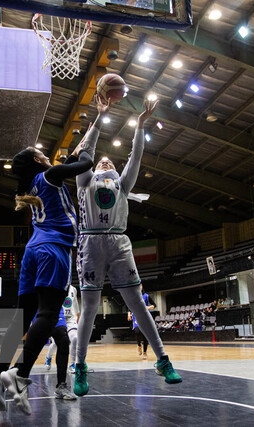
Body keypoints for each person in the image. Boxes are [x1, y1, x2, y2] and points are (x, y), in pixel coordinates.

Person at [0, 111, 97, 414]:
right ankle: (17, 376)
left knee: (21, 318)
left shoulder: (31, 183)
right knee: (48, 313)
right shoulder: (50, 174)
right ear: (37, 161)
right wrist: (87, 148)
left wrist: (93, 126)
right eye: (42, 153)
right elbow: (85, 164)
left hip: (32, 249)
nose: (47, 155)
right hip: (54, 248)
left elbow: (71, 158)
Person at [73, 98, 182, 397]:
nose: (105, 162)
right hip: (91, 241)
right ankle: (79, 366)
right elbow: (86, 152)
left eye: (110, 161)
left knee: (136, 303)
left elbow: (136, 157)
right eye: (100, 161)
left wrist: (141, 124)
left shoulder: (122, 185)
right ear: (93, 169)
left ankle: (162, 359)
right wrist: (99, 117)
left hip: (119, 242)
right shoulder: (84, 181)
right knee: (90, 309)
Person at [37, 307, 77, 400]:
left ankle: (61, 385)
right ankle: (5, 375)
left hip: (57, 310)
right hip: (38, 308)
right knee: (34, 345)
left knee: (63, 340)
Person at [44, 284, 80, 374]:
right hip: (59, 318)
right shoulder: (54, 286)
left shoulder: (73, 289)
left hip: (70, 319)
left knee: (74, 338)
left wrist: (77, 318)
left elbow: (75, 305)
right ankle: (48, 357)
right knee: (57, 343)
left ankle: (72, 364)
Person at [128, 285, 156, 359]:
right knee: (137, 331)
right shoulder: (134, 296)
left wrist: (148, 307)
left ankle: (145, 352)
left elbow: (154, 305)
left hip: (145, 316)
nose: (139, 287)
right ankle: (139, 345)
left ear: (142, 287)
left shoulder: (146, 296)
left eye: (140, 286)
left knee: (145, 335)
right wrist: (129, 313)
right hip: (136, 316)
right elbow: (130, 306)